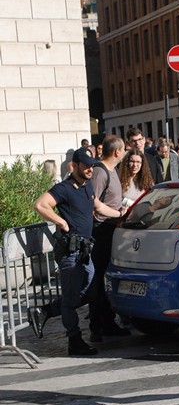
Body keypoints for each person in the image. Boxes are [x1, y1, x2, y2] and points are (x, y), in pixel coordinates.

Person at [27, 147, 125, 356]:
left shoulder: (87, 186)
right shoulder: (64, 188)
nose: (90, 169)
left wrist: (119, 214)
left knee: (91, 293)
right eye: (86, 166)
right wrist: (60, 221)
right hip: (71, 251)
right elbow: (40, 204)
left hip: (85, 250)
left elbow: (98, 207)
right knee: (72, 298)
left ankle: (45, 311)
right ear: (75, 166)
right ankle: (74, 340)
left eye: (92, 165)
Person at [89, 135, 130, 342]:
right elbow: (94, 203)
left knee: (105, 279)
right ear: (117, 152)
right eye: (123, 149)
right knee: (97, 281)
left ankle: (108, 322)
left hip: (112, 229)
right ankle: (97, 326)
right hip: (101, 231)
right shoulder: (100, 171)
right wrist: (118, 214)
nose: (124, 153)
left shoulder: (112, 171)